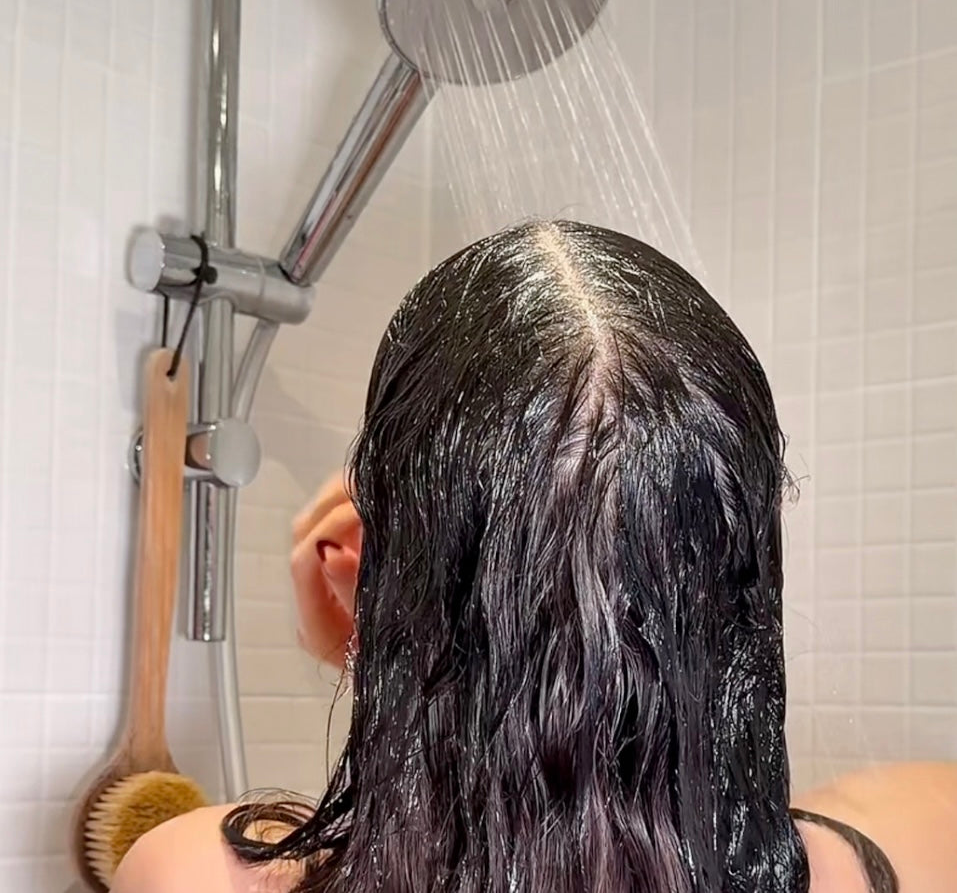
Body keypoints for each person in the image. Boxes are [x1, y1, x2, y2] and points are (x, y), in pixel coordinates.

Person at [113, 221, 956, 893]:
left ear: (398, 583)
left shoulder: (189, 873)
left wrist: (406, 669)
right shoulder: (908, 848)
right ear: (734, 576)